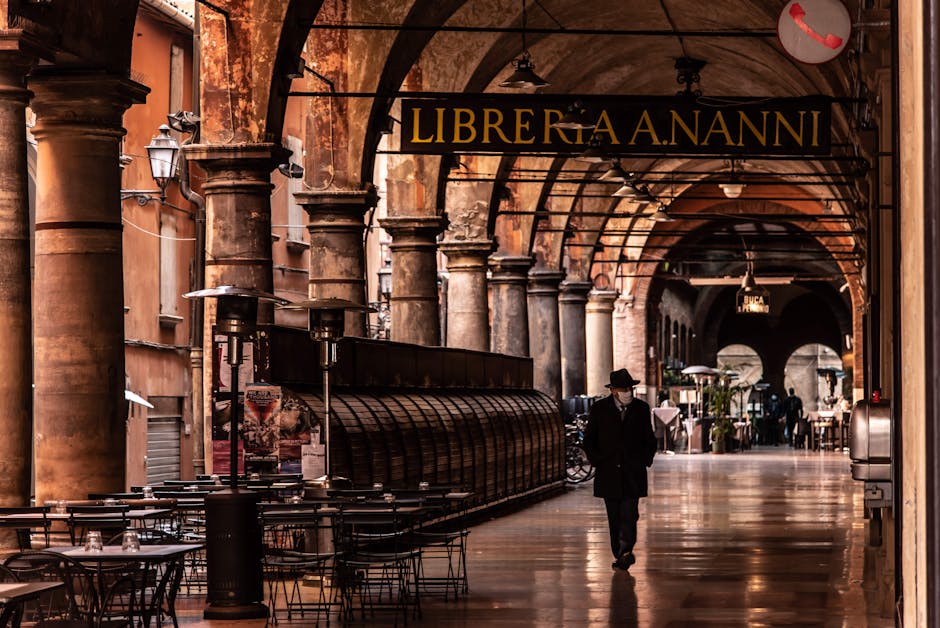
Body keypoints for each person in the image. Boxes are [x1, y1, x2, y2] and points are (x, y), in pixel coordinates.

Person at [583, 368, 658, 571]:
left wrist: (644, 459)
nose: (628, 391)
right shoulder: (599, 409)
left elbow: (649, 439)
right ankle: (618, 552)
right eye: (623, 388)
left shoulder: (641, 408)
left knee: (629, 514)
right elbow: (589, 439)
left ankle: (626, 551)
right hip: (609, 472)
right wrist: (597, 460)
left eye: (629, 388)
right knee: (614, 516)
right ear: (613, 390)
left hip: (633, 471)